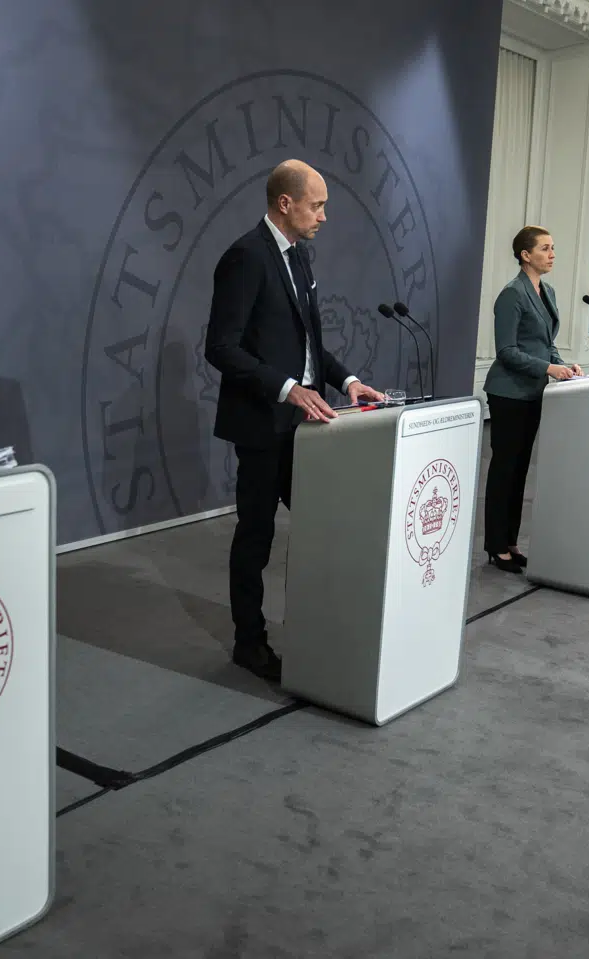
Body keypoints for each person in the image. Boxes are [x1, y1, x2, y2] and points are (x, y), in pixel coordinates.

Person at [204, 159, 384, 682]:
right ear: (286, 203)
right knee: (255, 536)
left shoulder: (299, 257)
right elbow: (221, 347)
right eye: (317, 204)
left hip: (303, 428)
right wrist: (288, 390)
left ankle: (319, 625)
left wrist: (347, 381)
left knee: (324, 525)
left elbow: (309, 343)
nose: (324, 216)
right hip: (262, 424)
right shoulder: (245, 257)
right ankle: (248, 642)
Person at [481, 227, 579, 573]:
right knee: (504, 469)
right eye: (545, 249)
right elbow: (507, 351)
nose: (552, 254)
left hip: (533, 391)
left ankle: (510, 541)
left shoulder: (546, 290)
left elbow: (545, 342)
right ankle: (495, 545)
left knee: (521, 469)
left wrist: (564, 366)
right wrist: (549, 368)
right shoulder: (512, 294)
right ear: (525, 255)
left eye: (553, 248)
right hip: (508, 392)